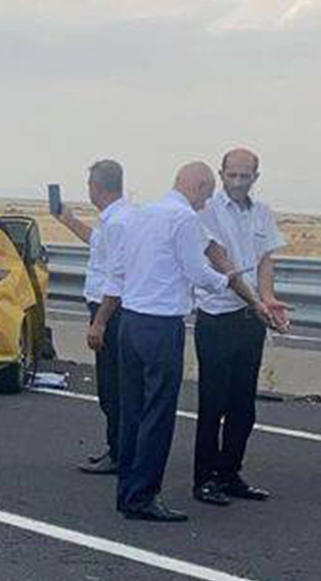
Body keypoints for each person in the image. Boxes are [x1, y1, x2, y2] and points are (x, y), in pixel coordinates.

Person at [116, 162, 285, 522]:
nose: (206, 200)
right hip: (162, 324)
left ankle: (129, 491)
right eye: (207, 193)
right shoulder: (186, 218)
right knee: (158, 414)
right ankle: (144, 495)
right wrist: (229, 281)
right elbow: (196, 270)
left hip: (132, 319)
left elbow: (121, 264)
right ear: (202, 185)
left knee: (133, 410)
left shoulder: (142, 213)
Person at [190, 149, 289, 506]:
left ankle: (230, 473)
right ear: (221, 174)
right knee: (213, 402)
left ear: (255, 177)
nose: (237, 182)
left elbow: (264, 262)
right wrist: (256, 302)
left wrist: (268, 299)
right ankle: (204, 478)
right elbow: (221, 261)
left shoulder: (262, 213)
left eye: (244, 176)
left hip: (251, 318)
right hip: (218, 316)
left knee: (243, 404)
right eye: (231, 175)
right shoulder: (207, 211)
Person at [53, 159, 132, 475]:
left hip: (110, 311)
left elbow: (117, 277)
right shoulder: (118, 219)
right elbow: (99, 246)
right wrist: (68, 221)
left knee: (113, 388)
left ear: (96, 187)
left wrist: (99, 321)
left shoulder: (117, 222)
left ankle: (120, 452)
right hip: (110, 309)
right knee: (113, 386)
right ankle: (117, 448)